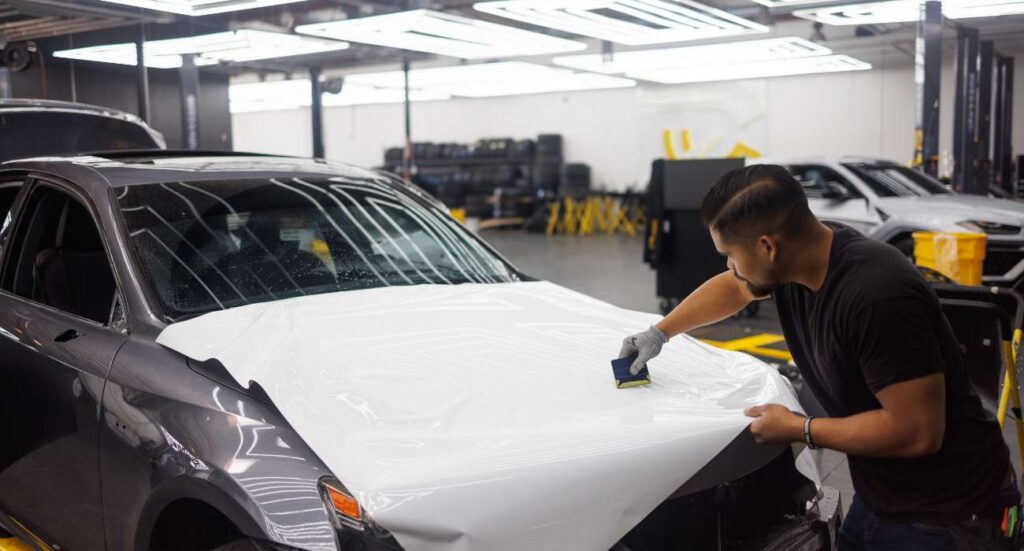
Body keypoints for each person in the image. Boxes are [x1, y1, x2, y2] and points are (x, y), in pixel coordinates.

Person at [619, 164, 1018, 549]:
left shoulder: (876, 296)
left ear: (767, 247)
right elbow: (737, 286)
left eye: (730, 254)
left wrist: (800, 428)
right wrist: (660, 332)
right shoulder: (803, 259)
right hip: (883, 493)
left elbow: (916, 431)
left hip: (951, 512)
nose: (729, 265)